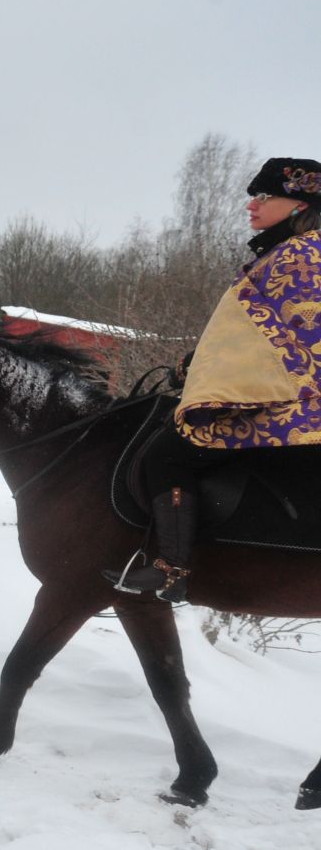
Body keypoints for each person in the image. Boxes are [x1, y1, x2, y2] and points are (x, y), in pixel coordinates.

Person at [110, 155, 321, 602]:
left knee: (169, 455)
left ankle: (172, 570)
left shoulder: (299, 254)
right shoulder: (298, 252)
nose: (252, 206)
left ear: (301, 204)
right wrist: (200, 365)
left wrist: (216, 379)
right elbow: (260, 332)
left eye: (265, 196)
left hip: (297, 405)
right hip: (299, 395)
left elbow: (282, 338)